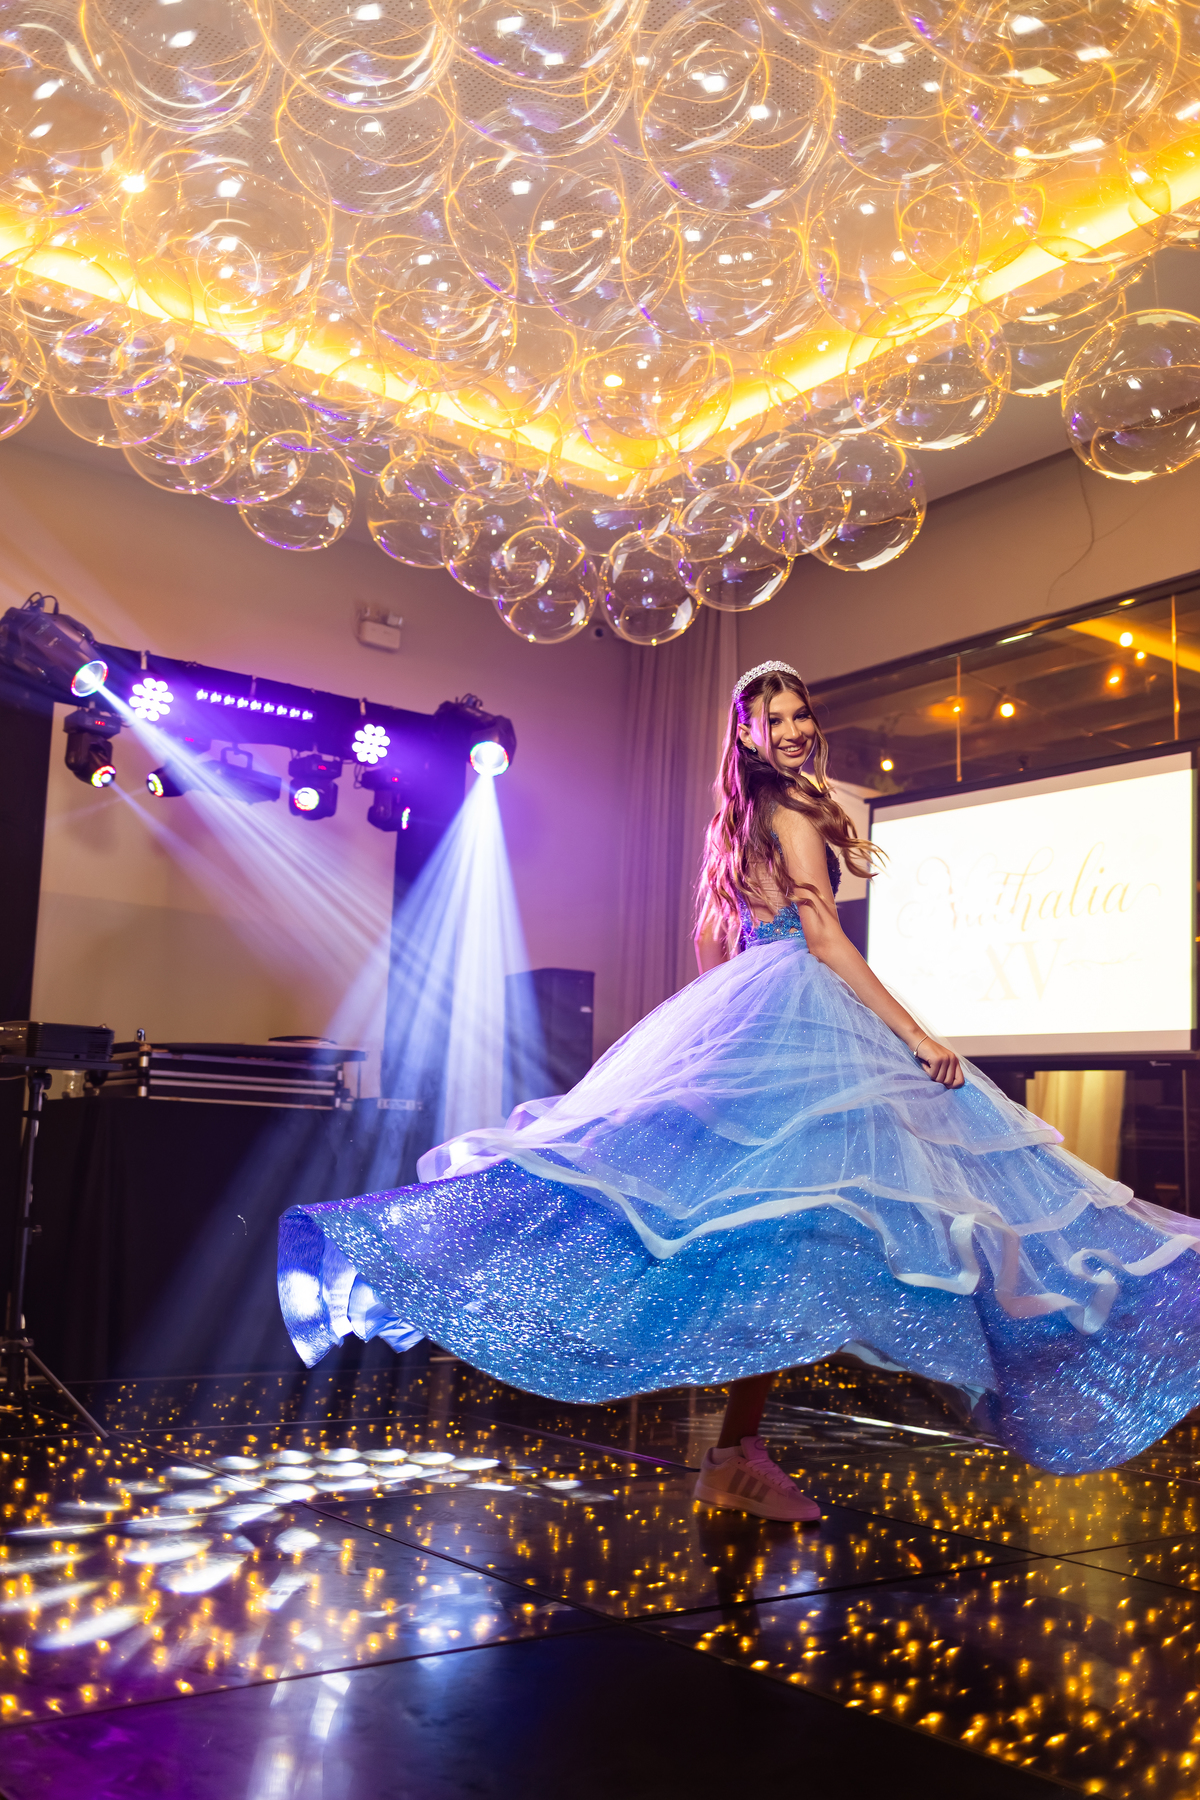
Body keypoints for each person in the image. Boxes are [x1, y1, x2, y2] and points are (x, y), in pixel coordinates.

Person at [279, 660, 1200, 1524]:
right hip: (802, 1008)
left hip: (760, 1006)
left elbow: (710, 943)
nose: (793, 730)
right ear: (747, 733)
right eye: (775, 719)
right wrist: (915, 1034)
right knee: (855, 1216)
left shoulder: (738, 819)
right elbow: (825, 941)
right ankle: (760, 1444)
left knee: (771, 1235)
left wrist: (723, 1030)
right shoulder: (789, 810)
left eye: (802, 715)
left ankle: (737, 1450)